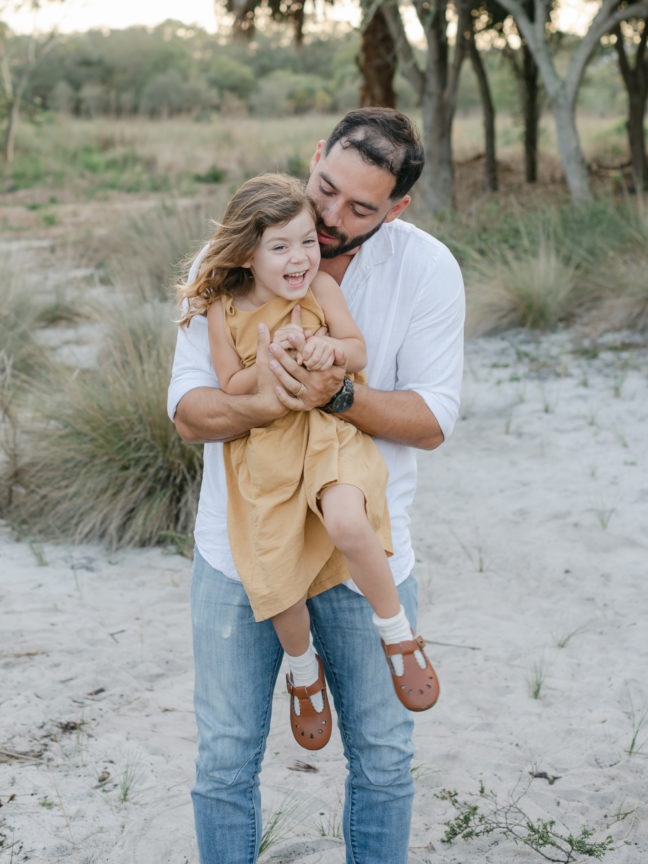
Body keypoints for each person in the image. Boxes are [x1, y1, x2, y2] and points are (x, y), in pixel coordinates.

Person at [168, 107, 465, 864]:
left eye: (360, 208)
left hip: (359, 545)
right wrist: (264, 399)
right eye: (325, 189)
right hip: (243, 550)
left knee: (384, 762)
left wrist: (334, 390)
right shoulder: (231, 261)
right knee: (226, 762)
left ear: (397, 208)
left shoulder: (427, 270)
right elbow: (191, 412)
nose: (330, 220)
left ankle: (401, 638)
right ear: (314, 157)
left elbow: (432, 418)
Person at [176, 173, 439, 751]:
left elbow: (356, 349)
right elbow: (230, 381)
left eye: (306, 241)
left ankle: (396, 633)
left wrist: (328, 350)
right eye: (281, 246)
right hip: (266, 451)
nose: (299, 258)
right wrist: (268, 367)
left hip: (326, 436)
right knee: (278, 577)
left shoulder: (320, 287)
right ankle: (302, 669)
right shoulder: (223, 308)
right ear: (247, 252)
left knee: (349, 521)